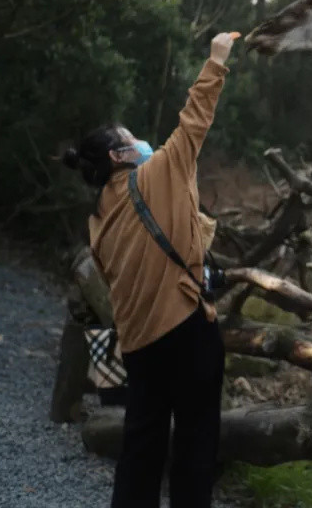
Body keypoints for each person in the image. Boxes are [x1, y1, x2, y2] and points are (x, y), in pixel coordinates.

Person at [62, 32, 237, 508]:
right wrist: (216, 60)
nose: (140, 140)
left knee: (140, 449)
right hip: (186, 332)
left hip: (138, 345)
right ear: (120, 156)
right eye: (129, 138)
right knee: (196, 445)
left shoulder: (97, 219)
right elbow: (194, 121)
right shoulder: (155, 173)